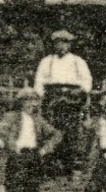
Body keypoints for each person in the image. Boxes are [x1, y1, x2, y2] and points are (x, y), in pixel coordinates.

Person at [34, 29, 91, 177]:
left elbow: (87, 82)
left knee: (72, 134)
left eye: (64, 43)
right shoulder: (47, 62)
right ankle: (50, 169)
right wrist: (46, 96)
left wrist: (76, 93)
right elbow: (39, 83)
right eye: (58, 43)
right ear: (54, 44)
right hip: (53, 101)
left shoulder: (78, 62)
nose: (61, 46)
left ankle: (73, 168)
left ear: (69, 45)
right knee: (51, 133)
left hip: (72, 102)